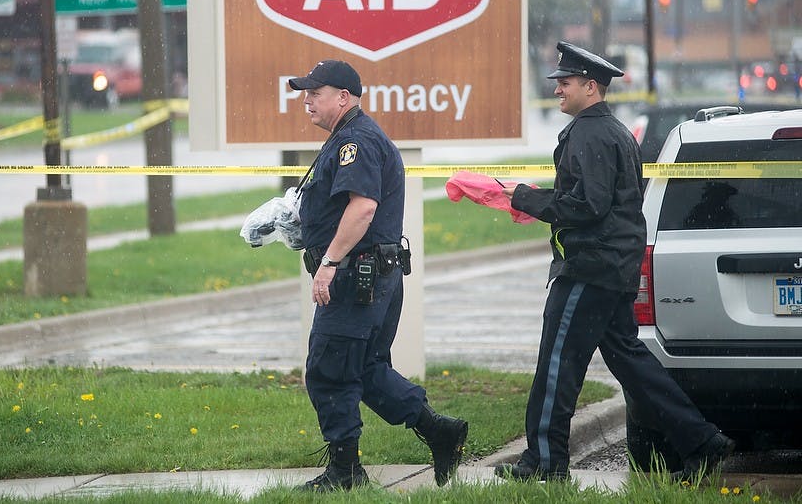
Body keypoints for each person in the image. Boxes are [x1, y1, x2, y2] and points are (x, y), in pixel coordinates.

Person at [493, 41, 735, 483]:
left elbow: (588, 205)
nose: (557, 91)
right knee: (631, 364)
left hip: (589, 269)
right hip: (611, 267)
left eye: (565, 84)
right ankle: (702, 442)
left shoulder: (589, 134)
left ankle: (545, 463)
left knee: (557, 365)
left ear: (591, 87)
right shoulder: (614, 131)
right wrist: (539, 201)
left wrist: (527, 198)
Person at [287, 59, 468, 492]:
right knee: (364, 368)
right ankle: (440, 431)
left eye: (315, 92)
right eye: (305, 93)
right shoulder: (349, 137)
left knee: (329, 368)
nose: (306, 100)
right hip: (372, 275)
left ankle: (345, 473)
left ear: (343, 97)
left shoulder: (357, 141)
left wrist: (327, 265)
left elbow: (363, 207)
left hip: (355, 277)